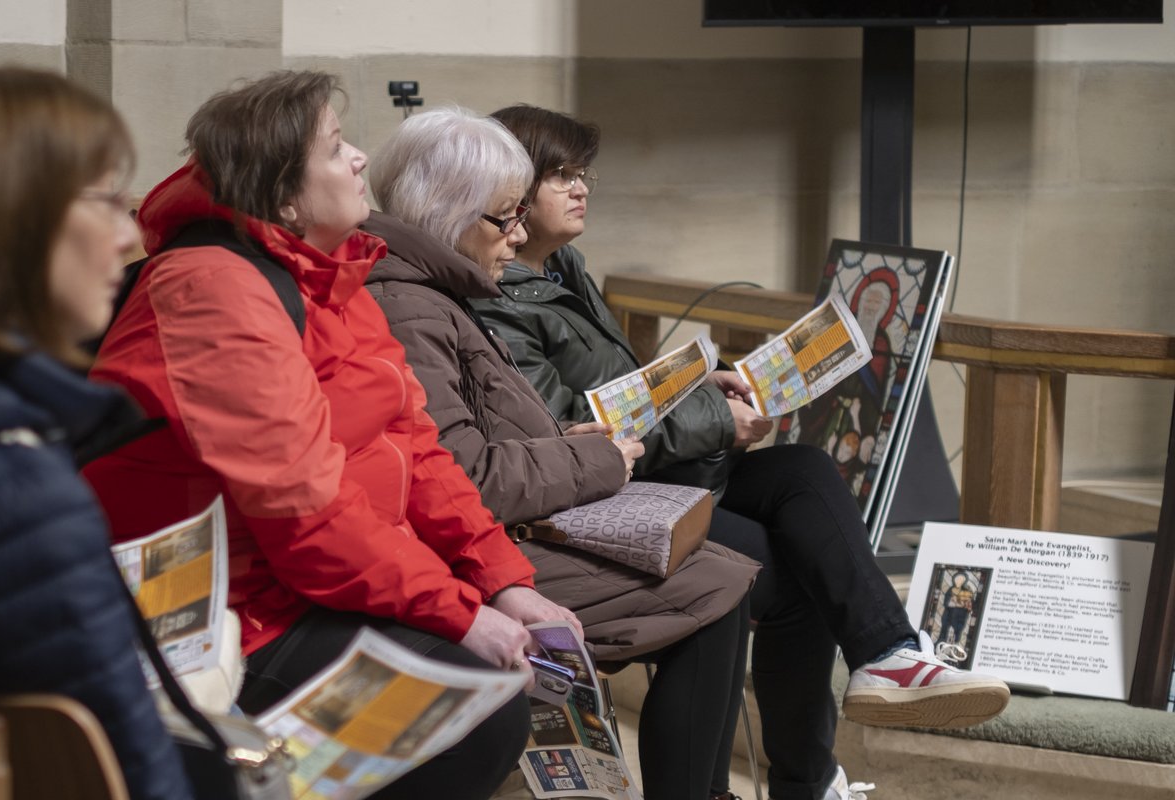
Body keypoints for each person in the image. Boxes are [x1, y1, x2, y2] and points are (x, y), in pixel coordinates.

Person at [476, 104, 1012, 800]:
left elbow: (617, 393)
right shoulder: (496, 296)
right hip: (601, 497)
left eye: (585, 174)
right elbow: (568, 424)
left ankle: (888, 654)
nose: (581, 188)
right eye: (561, 175)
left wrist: (703, 385)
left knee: (805, 472)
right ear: (513, 190)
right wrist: (712, 420)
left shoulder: (563, 269)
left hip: (657, 470)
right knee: (789, 572)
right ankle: (805, 780)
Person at [82, 71, 557, 800]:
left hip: (307, 585)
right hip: (224, 614)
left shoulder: (331, 272)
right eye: (335, 148)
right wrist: (462, 614)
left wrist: (500, 578)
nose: (360, 157)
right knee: (473, 711)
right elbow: (303, 513)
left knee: (509, 671)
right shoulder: (211, 287)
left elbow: (416, 443)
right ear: (284, 198)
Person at [362, 107, 759, 800]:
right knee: (717, 584)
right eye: (505, 218)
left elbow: (482, 434)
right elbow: (464, 477)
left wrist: (568, 443)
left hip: (504, 525)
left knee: (745, 547)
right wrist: (598, 462)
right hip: (464, 552)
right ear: (451, 212)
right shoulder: (411, 305)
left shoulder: (439, 290)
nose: (517, 235)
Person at [0, 67, 195, 800]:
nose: (130, 234)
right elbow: (117, 759)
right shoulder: (14, 479)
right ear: (16, 219)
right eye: (107, 201)